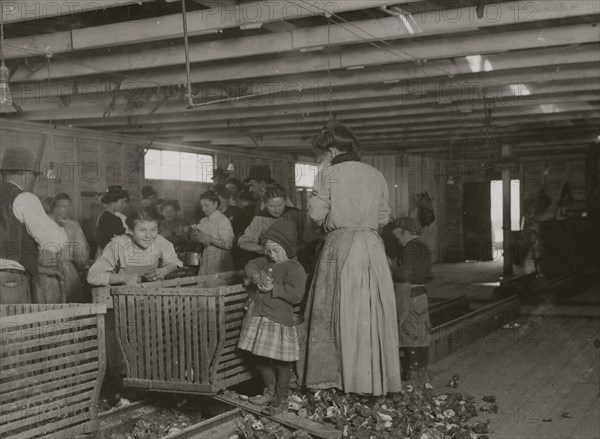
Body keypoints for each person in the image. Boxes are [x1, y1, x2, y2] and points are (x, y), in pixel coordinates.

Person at [298, 121, 401, 397]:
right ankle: (369, 381)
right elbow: (383, 218)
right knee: (368, 312)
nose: (320, 159)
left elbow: (316, 216)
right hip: (371, 246)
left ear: (331, 150)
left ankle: (336, 379)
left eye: (321, 154)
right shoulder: (375, 174)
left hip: (340, 245)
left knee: (333, 311)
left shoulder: (328, 173)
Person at [238, 220, 307, 410]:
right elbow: (251, 264)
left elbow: (296, 294)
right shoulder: (265, 261)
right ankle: (269, 391)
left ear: (289, 248)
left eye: (276, 250)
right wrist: (256, 277)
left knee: (281, 362)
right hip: (259, 318)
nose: (272, 255)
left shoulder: (295, 268)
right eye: (269, 250)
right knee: (258, 358)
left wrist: (273, 288)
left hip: (277, 321)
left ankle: (281, 397)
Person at [0, 147, 67, 304]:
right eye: (32, 174)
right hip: (9, 280)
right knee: (14, 326)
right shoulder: (25, 199)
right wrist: (60, 226)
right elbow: (54, 242)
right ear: (25, 174)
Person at [383, 217, 432, 384]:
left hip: (411, 299)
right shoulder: (422, 247)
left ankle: (413, 380)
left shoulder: (411, 248)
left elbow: (404, 275)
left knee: (411, 337)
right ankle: (421, 377)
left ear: (406, 233)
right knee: (420, 335)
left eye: (398, 236)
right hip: (421, 297)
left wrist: (390, 267)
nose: (398, 241)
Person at [87, 208, 183, 286]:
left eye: (153, 229)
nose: (148, 236)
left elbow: (175, 262)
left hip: (152, 297)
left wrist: (163, 271)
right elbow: (92, 276)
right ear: (130, 230)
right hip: (121, 299)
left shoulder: (160, 241)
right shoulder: (118, 244)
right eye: (142, 230)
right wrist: (124, 278)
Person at [238, 184, 306, 264]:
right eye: (272, 206)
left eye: (280, 205)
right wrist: (263, 249)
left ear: (285, 201)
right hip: (270, 261)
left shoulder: (294, 214)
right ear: (265, 204)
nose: (277, 210)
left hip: (297, 259)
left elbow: (303, 238)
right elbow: (244, 243)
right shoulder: (259, 219)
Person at [42, 194, 90, 302]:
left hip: (61, 272)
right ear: (54, 207)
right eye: (62, 206)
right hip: (53, 272)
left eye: (68, 206)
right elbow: (81, 255)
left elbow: (81, 254)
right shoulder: (70, 225)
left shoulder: (73, 225)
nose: (66, 209)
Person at [193, 190, 234, 275]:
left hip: (220, 260)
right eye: (202, 206)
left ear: (215, 204)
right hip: (206, 257)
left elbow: (228, 245)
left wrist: (210, 239)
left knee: (216, 284)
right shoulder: (204, 220)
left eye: (206, 205)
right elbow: (199, 239)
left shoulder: (223, 220)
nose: (203, 209)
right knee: (204, 283)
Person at [96, 186, 129, 251]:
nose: (124, 205)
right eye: (122, 202)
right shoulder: (105, 218)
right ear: (113, 201)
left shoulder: (117, 217)